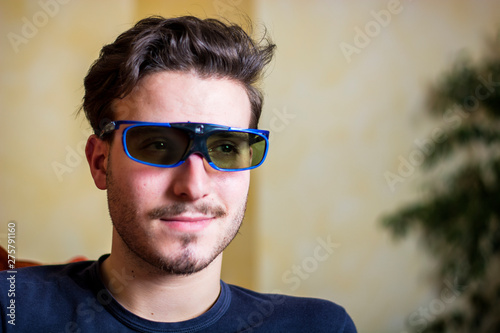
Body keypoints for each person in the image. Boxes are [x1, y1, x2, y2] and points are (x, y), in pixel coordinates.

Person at [0, 16, 357, 332]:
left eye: (226, 148)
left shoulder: (319, 326)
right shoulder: (11, 311)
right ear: (100, 163)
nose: (193, 187)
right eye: (157, 146)